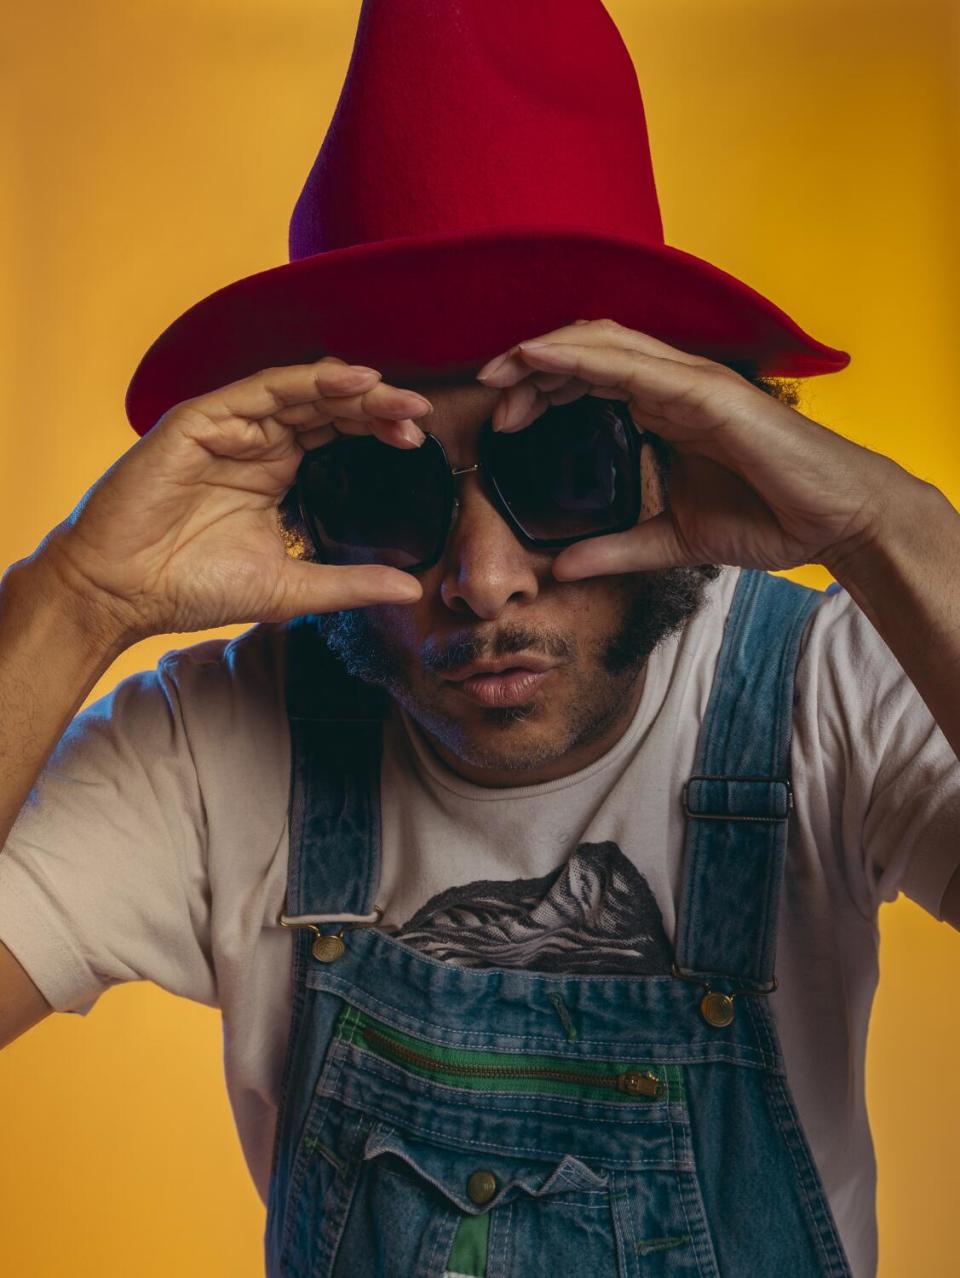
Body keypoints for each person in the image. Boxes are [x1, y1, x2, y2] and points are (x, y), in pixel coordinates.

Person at [1, 2, 958, 1276]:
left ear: (676, 447)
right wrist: (77, 597)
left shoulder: (824, 690)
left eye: (562, 466)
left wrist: (887, 525)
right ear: (305, 501)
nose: (483, 580)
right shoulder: (217, 737)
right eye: (388, 493)